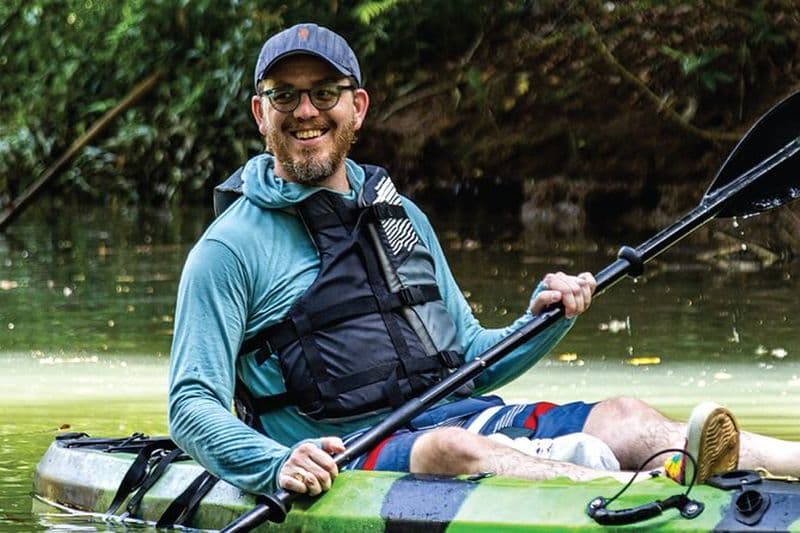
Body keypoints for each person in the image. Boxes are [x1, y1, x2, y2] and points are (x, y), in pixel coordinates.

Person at [168, 22, 800, 499]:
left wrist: (544, 318)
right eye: (285, 97)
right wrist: (277, 463)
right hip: (348, 448)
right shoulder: (227, 250)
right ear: (261, 114)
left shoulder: (399, 218)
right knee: (451, 448)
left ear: (356, 107)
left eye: (324, 93)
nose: (306, 112)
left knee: (628, 415)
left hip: (456, 415)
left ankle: (757, 460)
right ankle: (643, 489)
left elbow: (470, 360)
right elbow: (192, 404)